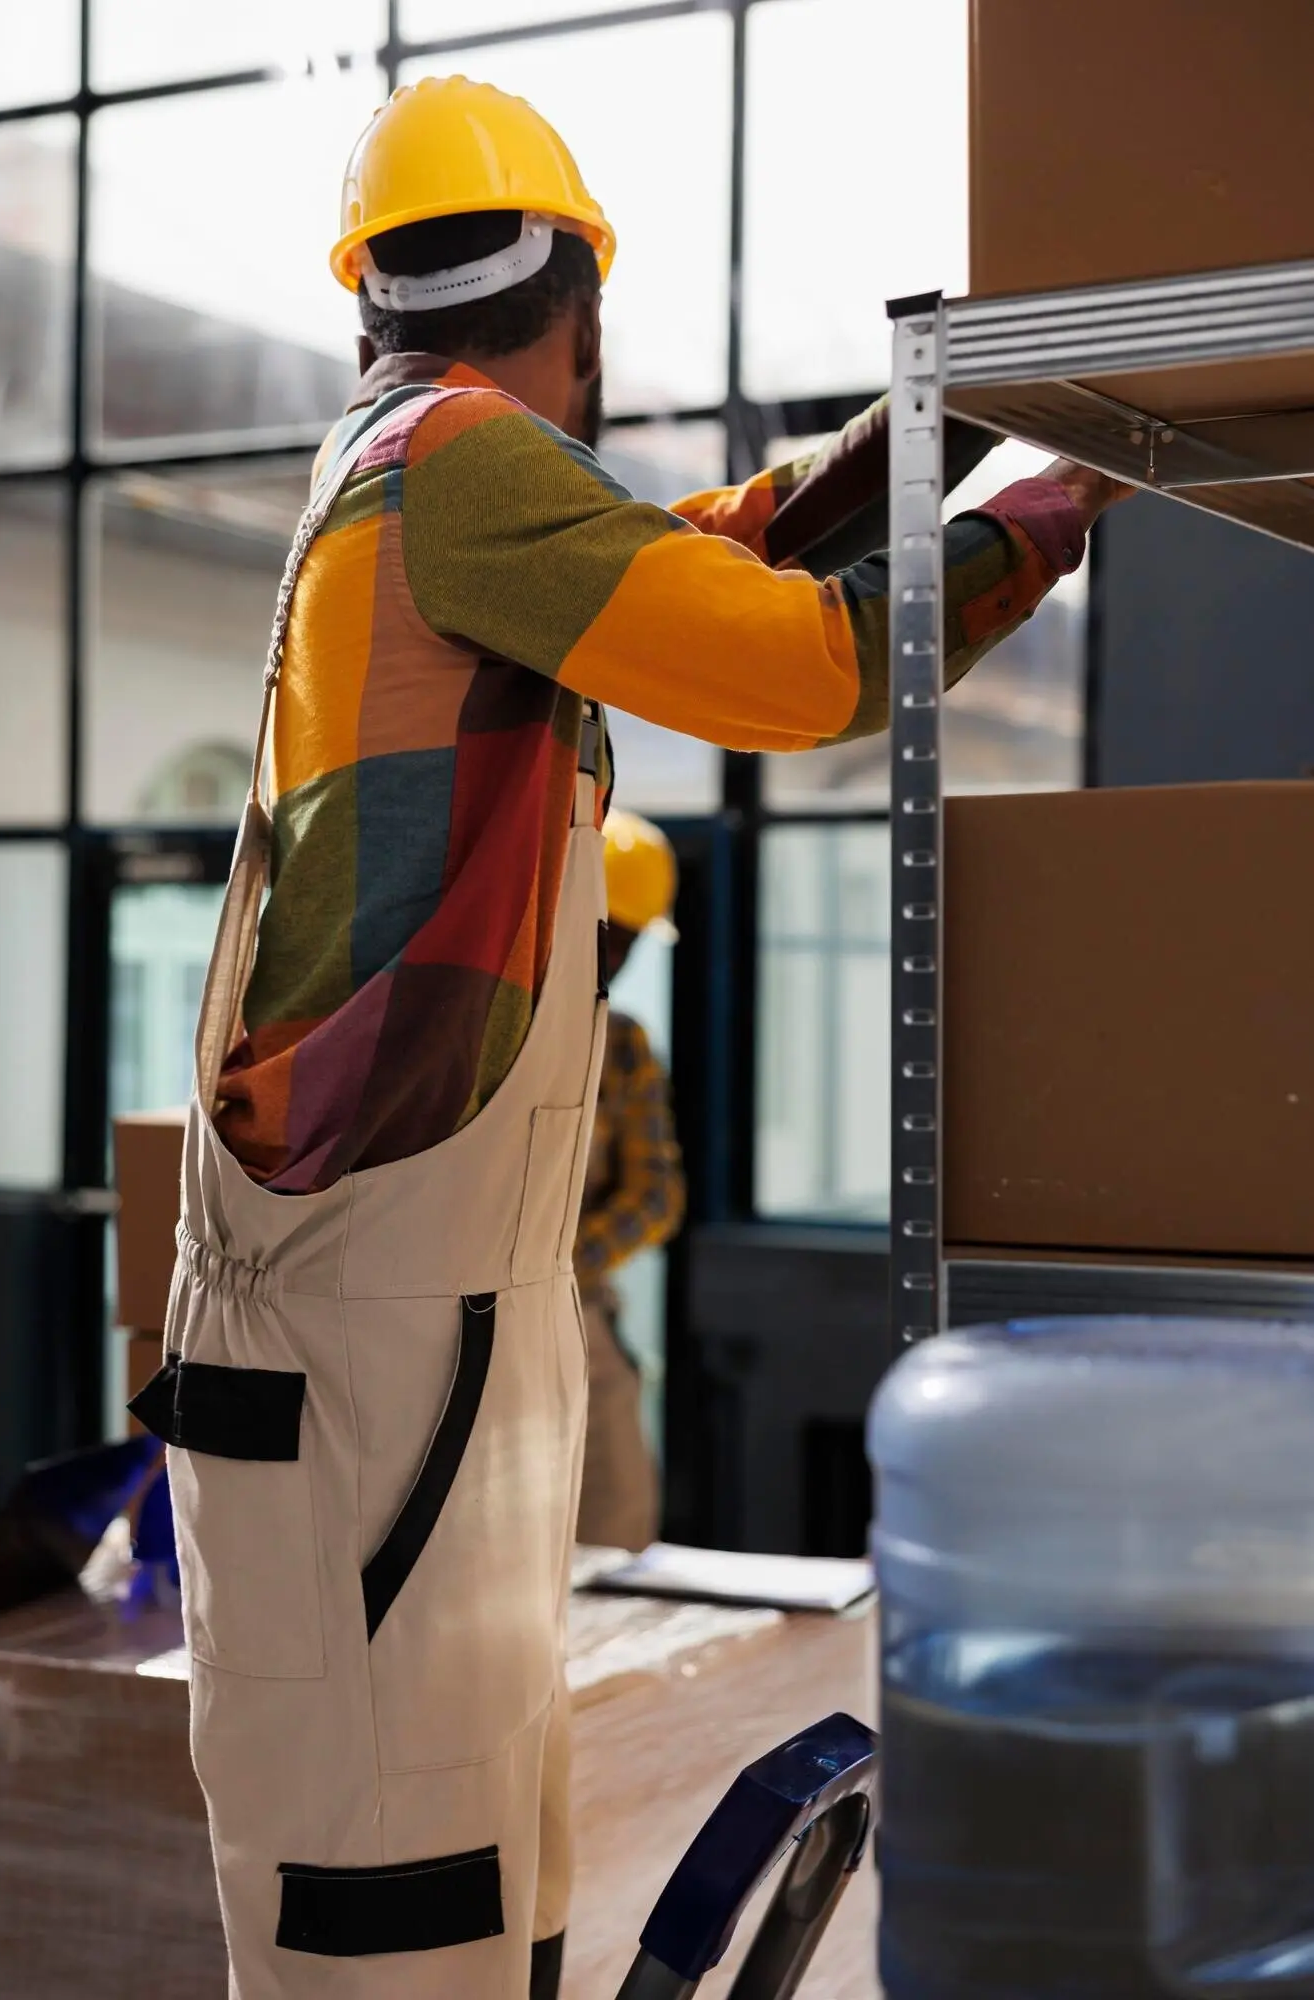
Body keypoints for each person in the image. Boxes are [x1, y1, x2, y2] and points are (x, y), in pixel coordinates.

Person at [128, 74, 1133, 2000]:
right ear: (575, 286)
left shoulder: (435, 470)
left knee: (484, 1891)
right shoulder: (464, 462)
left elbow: (704, 558)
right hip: (377, 1344)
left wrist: (939, 420)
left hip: (422, 1329)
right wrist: (1027, 520)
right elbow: (797, 660)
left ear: (378, 290)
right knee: (394, 1911)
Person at [575, 809, 685, 1553]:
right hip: (447, 1305)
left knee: (615, 1522)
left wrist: (554, 1266)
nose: (614, 957)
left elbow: (655, 1198)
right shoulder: (475, 1026)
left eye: (629, 941)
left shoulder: (621, 1045)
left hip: (574, 1309)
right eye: (608, 934)